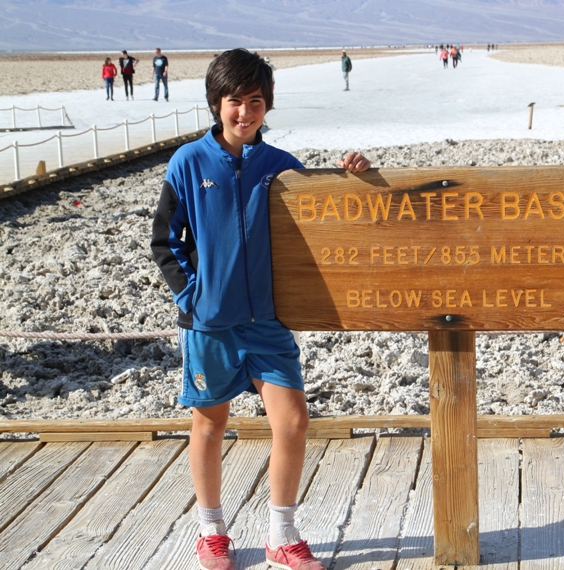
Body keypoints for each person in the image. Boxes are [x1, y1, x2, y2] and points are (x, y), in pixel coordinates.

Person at [150, 48, 370, 570]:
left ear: (267, 105)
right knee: (210, 424)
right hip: (210, 324)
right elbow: (165, 240)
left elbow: (327, 216)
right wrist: (191, 296)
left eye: (255, 101)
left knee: (292, 422)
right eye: (234, 101)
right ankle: (211, 530)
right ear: (216, 104)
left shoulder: (281, 167)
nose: (244, 112)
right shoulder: (188, 163)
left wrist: (354, 174)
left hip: (268, 323)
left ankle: (281, 535)